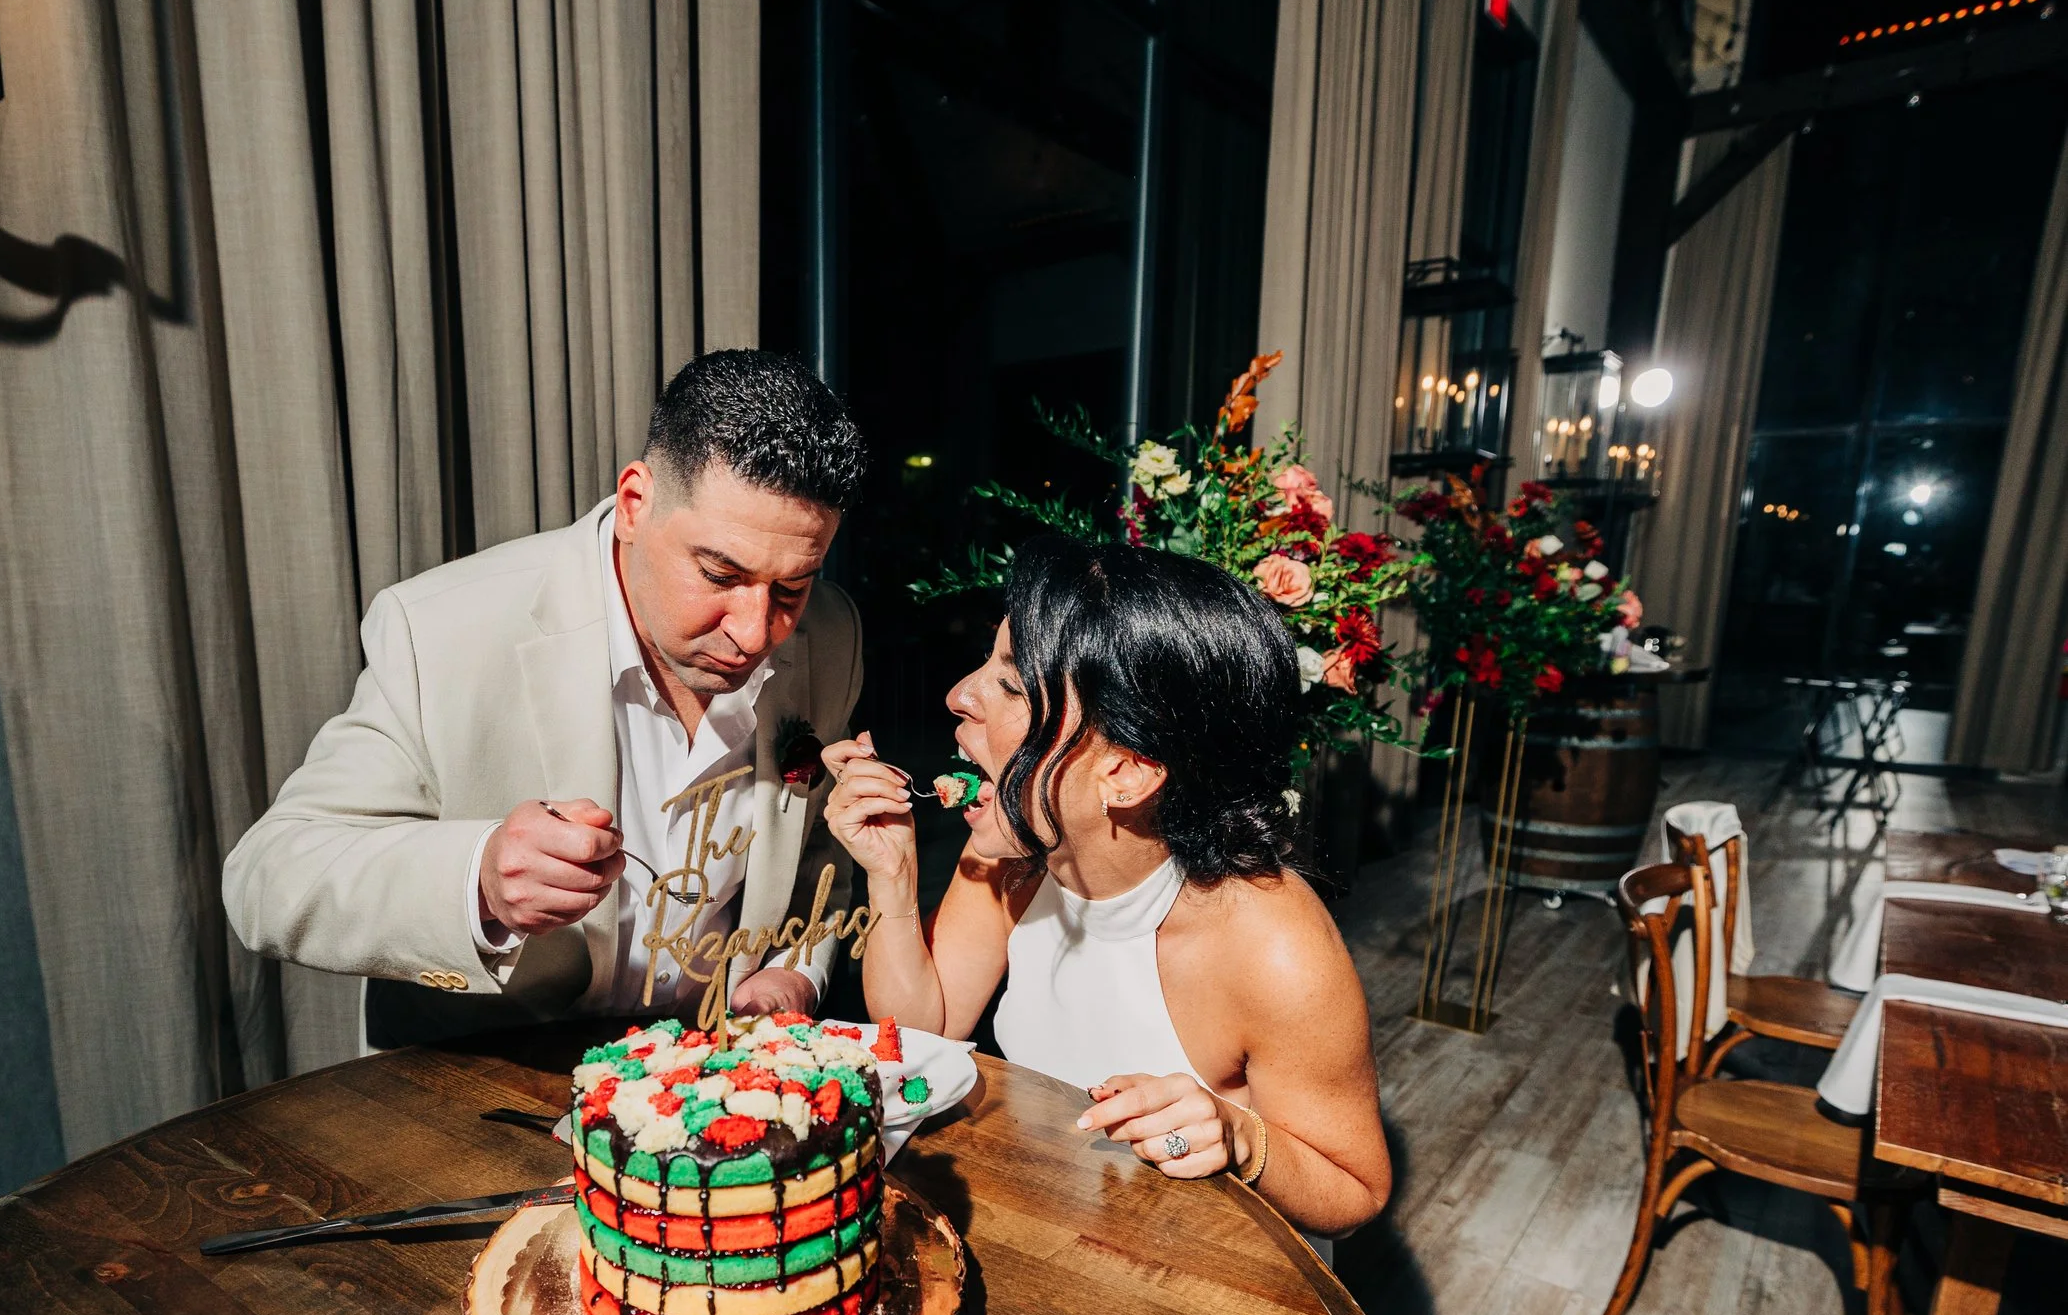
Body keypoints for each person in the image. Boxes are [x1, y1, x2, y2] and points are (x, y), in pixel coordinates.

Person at [224, 350, 868, 1049]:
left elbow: (819, 858)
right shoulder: (438, 631)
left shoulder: (831, 636)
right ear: (634, 503)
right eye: (719, 572)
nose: (755, 633)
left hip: (712, 1089)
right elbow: (268, 876)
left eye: (790, 587)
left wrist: (794, 968)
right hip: (483, 1089)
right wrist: (481, 879)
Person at [822, 534, 1391, 1241]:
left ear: (1125, 772)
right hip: (1060, 1232)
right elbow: (924, 1030)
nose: (958, 695)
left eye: (1009, 684)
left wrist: (1242, 1139)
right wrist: (893, 878)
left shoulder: (1273, 945)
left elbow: (1357, 1189)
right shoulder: (1015, 849)